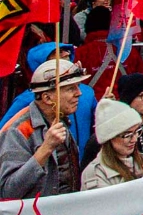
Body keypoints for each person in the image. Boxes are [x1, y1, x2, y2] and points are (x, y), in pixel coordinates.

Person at [0, 58, 86, 198]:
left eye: (78, 86)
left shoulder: (59, 118)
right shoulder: (17, 131)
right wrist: (46, 149)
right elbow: (9, 191)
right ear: (47, 98)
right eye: (71, 88)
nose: (79, 93)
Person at [82, 99, 143, 189]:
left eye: (137, 131)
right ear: (109, 138)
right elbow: (116, 202)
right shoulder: (96, 174)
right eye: (127, 135)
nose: (134, 139)